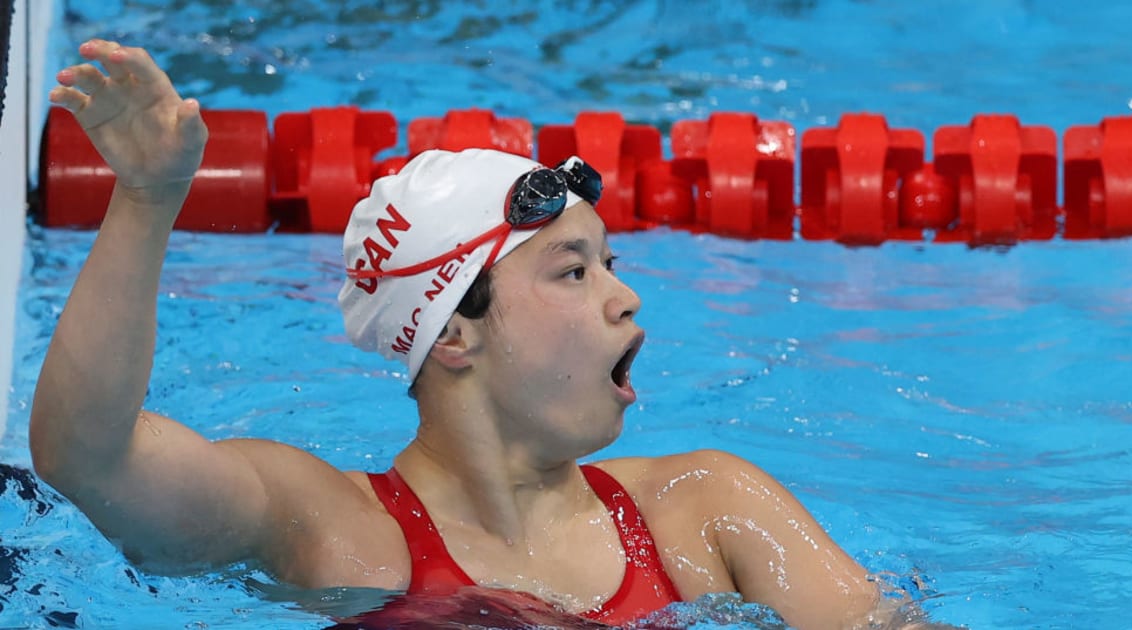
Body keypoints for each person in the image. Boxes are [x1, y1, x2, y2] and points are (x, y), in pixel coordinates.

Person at [30, 39, 951, 629]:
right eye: (574, 270)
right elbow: (88, 458)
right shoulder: (337, 535)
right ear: (453, 333)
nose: (627, 302)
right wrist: (149, 200)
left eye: (613, 266)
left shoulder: (705, 510)